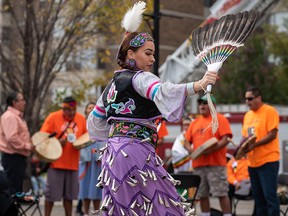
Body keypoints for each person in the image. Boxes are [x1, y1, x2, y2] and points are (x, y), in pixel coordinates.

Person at [86, 2, 218, 214]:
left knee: (125, 209)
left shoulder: (111, 85)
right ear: (131, 54)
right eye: (148, 53)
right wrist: (199, 85)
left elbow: (94, 123)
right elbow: (162, 91)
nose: (152, 59)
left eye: (153, 54)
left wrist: (115, 138)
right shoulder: (141, 78)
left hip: (113, 157)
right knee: (163, 205)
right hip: (135, 153)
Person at [184, 95, 233, 216]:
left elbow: (226, 138)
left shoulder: (220, 119)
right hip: (199, 165)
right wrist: (192, 151)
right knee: (202, 194)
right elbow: (186, 141)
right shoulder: (195, 122)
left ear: (213, 106)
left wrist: (211, 150)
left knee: (221, 193)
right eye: (200, 103)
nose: (202, 105)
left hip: (216, 164)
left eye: (205, 103)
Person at [40, 96, 87, 216]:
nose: (71, 112)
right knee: (51, 196)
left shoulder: (81, 119)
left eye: (74, 109)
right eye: (68, 110)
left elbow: (86, 137)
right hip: (55, 163)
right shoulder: (53, 117)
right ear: (63, 108)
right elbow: (42, 138)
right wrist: (56, 142)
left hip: (73, 164)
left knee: (69, 197)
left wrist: (81, 144)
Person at [241, 87, 280, 216]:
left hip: (268, 161)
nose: (247, 101)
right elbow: (245, 136)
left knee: (270, 198)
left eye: (250, 98)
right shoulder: (247, 115)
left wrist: (255, 145)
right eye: (246, 99)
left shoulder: (269, 111)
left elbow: (272, 134)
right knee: (258, 200)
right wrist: (241, 148)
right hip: (252, 163)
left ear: (259, 98)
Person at [0, 92, 34, 195]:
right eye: (22, 100)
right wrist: (27, 146)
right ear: (14, 102)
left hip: (17, 157)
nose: (25, 102)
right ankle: (10, 211)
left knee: (16, 190)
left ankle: (13, 211)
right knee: (12, 191)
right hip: (12, 157)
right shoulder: (10, 116)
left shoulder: (17, 117)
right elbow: (12, 137)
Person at [77, 102, 104, 216]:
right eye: (89, 107)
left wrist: (101, 154)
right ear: (86, 110)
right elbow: (78, 140)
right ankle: (85, 212)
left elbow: (104, 139)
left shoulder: (101, 123)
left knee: (96, 186)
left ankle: (96, 212)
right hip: (85, 159)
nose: (91, 109)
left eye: (93, 108)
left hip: (97, 159)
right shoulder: (81, 123)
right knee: (85, 186)